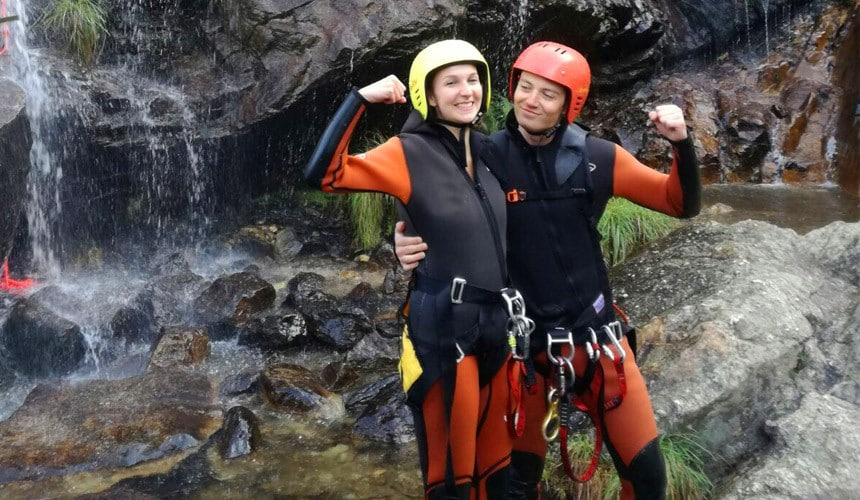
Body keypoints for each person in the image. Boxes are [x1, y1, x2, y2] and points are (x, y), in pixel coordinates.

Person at [395, 41, 701, 500]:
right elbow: (420, 172)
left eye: (548, 93)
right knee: (517, 486)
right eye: (524, 87)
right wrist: (404, 237)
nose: (530, 100)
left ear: (569, 105)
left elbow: (680, 204)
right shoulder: (484, 155)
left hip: (600, 344)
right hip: (525, 356)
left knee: (647, 478)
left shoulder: (600, 158)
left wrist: (680, 143)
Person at [304, 39, 530, 499]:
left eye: (473, 80)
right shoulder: (405, 151)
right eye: (451, 82)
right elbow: (324, 175)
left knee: (497, 470)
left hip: (497, 323)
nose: (466, 91)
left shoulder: (490, 151)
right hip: (444, 328)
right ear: (427, 93)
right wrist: (359, 99)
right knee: (452, 477)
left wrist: (401, 227)